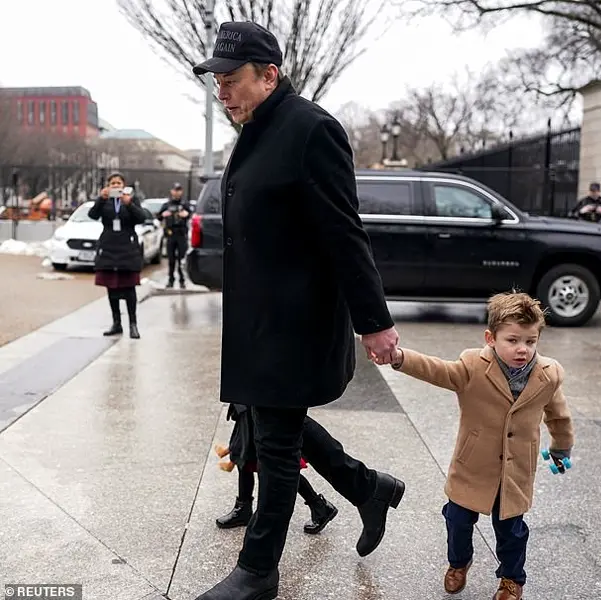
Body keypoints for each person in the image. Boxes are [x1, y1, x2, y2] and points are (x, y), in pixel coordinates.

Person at [191, 21, 403, 600]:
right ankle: (369, 488)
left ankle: (258, 571)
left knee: (277, 447)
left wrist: (375, 321)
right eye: (218, 80)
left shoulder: (311, 131)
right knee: (269, 422)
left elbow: (344, 233)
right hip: (261, 321)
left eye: (232, 80)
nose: (222, 91)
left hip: (295, 323)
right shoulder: (256, 128)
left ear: (270, 76)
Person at [385, 292, 575, 600]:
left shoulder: (547, 375)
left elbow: (559, 415)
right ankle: (459, 563)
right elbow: (439, 370)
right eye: (512, 340)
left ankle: (512, 579)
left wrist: (562, 447)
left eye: (530, 341)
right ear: (491, 338)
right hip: (473, 466)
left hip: (516, 471)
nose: (522, 349)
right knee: (457, 520)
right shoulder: (473, 365)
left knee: (512, 531)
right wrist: (400, 358)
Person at [215, 404, 338, 535]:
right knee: (245, 457)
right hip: (247, 403)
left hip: (257, 403)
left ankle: (319, 505)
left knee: (275, 464)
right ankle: (243, 507)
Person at [88, 172, 147, 339]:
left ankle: (133, 324)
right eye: (112, 183)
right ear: (108, 186)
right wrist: (100, 199)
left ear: (124, 185)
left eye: (118, 183)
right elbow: (92, 215)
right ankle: (116, 323)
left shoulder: (131, 199)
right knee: (111, 287)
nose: (115, 186)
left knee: (129, 288)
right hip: (109, 247)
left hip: (127, 248)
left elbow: (141, 218)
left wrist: (129, 204)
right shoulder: (105, 201)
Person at [157, 182, 191, 288]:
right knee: (171, 259)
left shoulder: (185, 204)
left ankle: (182, 280)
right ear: (171, 191)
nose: (177, 192)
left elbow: (192, 215)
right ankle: (171, 280)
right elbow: (158, 216)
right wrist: (163, 215)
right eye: (175, 190)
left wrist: (187, 215)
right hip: (170, 234)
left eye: (179, 190)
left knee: (181, 259)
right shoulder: (167, 205)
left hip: (181, 234)